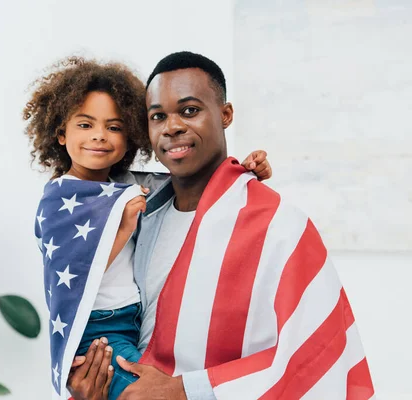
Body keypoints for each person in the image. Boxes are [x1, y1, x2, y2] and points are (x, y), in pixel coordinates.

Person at [67, 52, 375, 400]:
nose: (172, 127)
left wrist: (184, 390)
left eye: (189, 110)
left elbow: (318, 356)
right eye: (157, 116)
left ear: (225, 114)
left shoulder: (280, 226)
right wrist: (90, 388)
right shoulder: (136, 215)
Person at [24, 56, 271, 400]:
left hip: (133, 324)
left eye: (113, 127)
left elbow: (192, 179)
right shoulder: (59, 197)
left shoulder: (124, 185)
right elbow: (72, 268)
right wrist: (122, 229)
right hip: (98, 331)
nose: (99, 136)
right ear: (61, 133)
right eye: (85, 125)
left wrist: (245, 170)